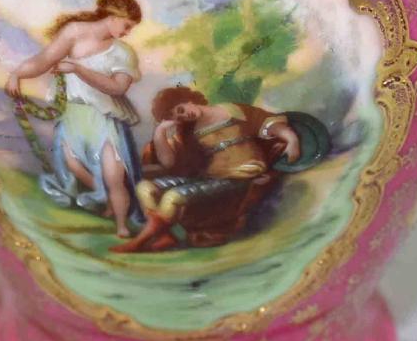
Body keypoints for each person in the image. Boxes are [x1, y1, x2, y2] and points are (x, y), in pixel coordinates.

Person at [5, 0, 143, 238]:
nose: (127, 32)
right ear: (113, 16)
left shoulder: (123, 52)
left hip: (102, 118)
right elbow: (44, 60)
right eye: (127, 25)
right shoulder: (75, 32)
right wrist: (16, 74)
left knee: (114, 174)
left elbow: (117, 88)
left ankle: (122, 225)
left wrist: (78, 69)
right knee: (75, 166)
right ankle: (105, 200)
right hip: (72, 115)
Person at [111, 86, 300, 253]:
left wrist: (291, 139)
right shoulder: (187, 131)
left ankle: (140, 242)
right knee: (145, 188)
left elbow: (266, 124)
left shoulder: (232, 110)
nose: (184, 116)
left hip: (240, 175)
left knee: (173, 198)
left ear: (188, 99)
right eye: (179, 117)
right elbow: (169, 163)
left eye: (181, 110)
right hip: (210, 178)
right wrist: (160, 132)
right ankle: (165, 236)